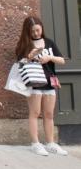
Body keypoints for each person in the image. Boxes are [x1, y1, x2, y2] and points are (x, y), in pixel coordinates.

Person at [15, 16, 67, 156]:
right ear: (27, 32)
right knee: (35, 113)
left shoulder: (49, 42)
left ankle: (50, 143)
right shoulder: (25, 45)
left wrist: (49, 58)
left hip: (50, 81)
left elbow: (62, 60)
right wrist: (30, 56)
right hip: (34, 82)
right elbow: (19, 64)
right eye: (33, 32)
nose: (36, 34)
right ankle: (35, 143)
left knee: (49, 114)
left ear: (41, 28)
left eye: (38, 30)